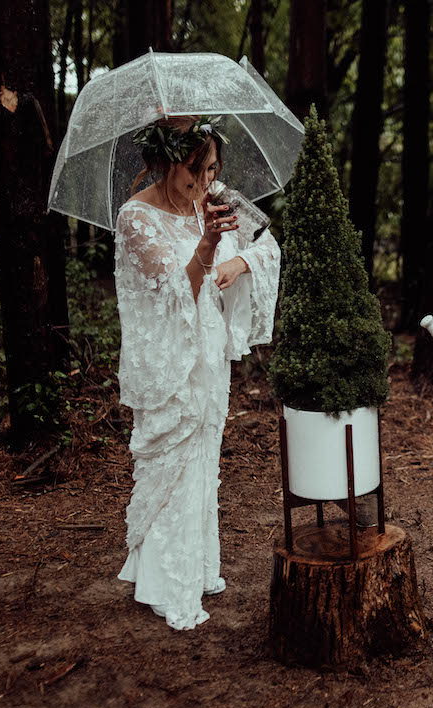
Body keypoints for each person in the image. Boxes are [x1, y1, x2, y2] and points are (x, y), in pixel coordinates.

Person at [114, 115, 280, 630]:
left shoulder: (215, 197)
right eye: (194, 170)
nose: (205, 181)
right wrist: (207, 247)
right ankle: (166, 584)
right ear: (165, 162)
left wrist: (243, 264)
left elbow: (269, 245)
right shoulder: (135, 218)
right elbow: (170, 297)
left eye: (212, 168)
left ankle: (194, 568)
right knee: (172, 461)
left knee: (203, 460)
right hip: (169, 360)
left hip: (208, 353)